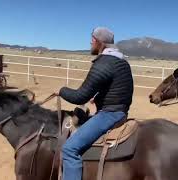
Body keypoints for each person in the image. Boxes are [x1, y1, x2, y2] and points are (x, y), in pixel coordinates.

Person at [57, 27, 134, 180]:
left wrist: (61, 91)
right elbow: (119, 87)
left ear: (100, 42)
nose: (90, 42)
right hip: (120, 111)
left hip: (110, 114)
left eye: (92, 39)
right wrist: (99, 96)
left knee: (69, 149)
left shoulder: (104, 63)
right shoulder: (121, 61)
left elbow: (80, 97)